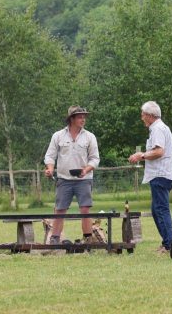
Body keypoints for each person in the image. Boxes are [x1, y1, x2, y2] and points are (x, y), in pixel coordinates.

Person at [44, 105, 100, 245]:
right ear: (71, 119)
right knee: (60, 209)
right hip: (63, 179)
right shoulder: (57, 136)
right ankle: (54, 239)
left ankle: (88, 239)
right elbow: (50, 156)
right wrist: (50, 169)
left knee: (85, 209)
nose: (83, 119)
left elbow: (95, 159)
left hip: (84, 179)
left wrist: (86, 170)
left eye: (84, 117)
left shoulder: (89, 137)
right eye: (80, 117)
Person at [128, 101, 172, 255]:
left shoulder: (157, 129)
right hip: (161, 174)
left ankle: (170, 245)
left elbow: (159, 152)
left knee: (161, 210)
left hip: (160, 174)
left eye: (142, 115)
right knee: (156, 210)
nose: (142, 118)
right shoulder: (160, 128)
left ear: (149, 115)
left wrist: (140, 155)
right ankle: (167, 242)